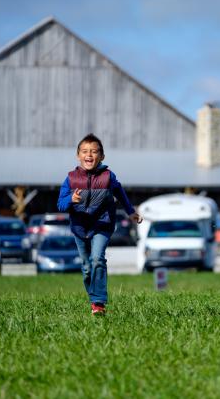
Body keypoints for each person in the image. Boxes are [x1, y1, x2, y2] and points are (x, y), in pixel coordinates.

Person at [58, 133, 142, 315]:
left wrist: (131, 212)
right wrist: (71, 199)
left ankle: (98, 303)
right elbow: (60, 204)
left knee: (97, 259)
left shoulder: (108, 176)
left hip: (102, 224)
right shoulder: (70, 179)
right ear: (78, 155)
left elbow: (120, 192)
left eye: (94, 152)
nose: (89, 155)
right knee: (87, 268)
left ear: (102, 156)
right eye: (85, 151)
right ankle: (93, 299)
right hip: (80, 227)